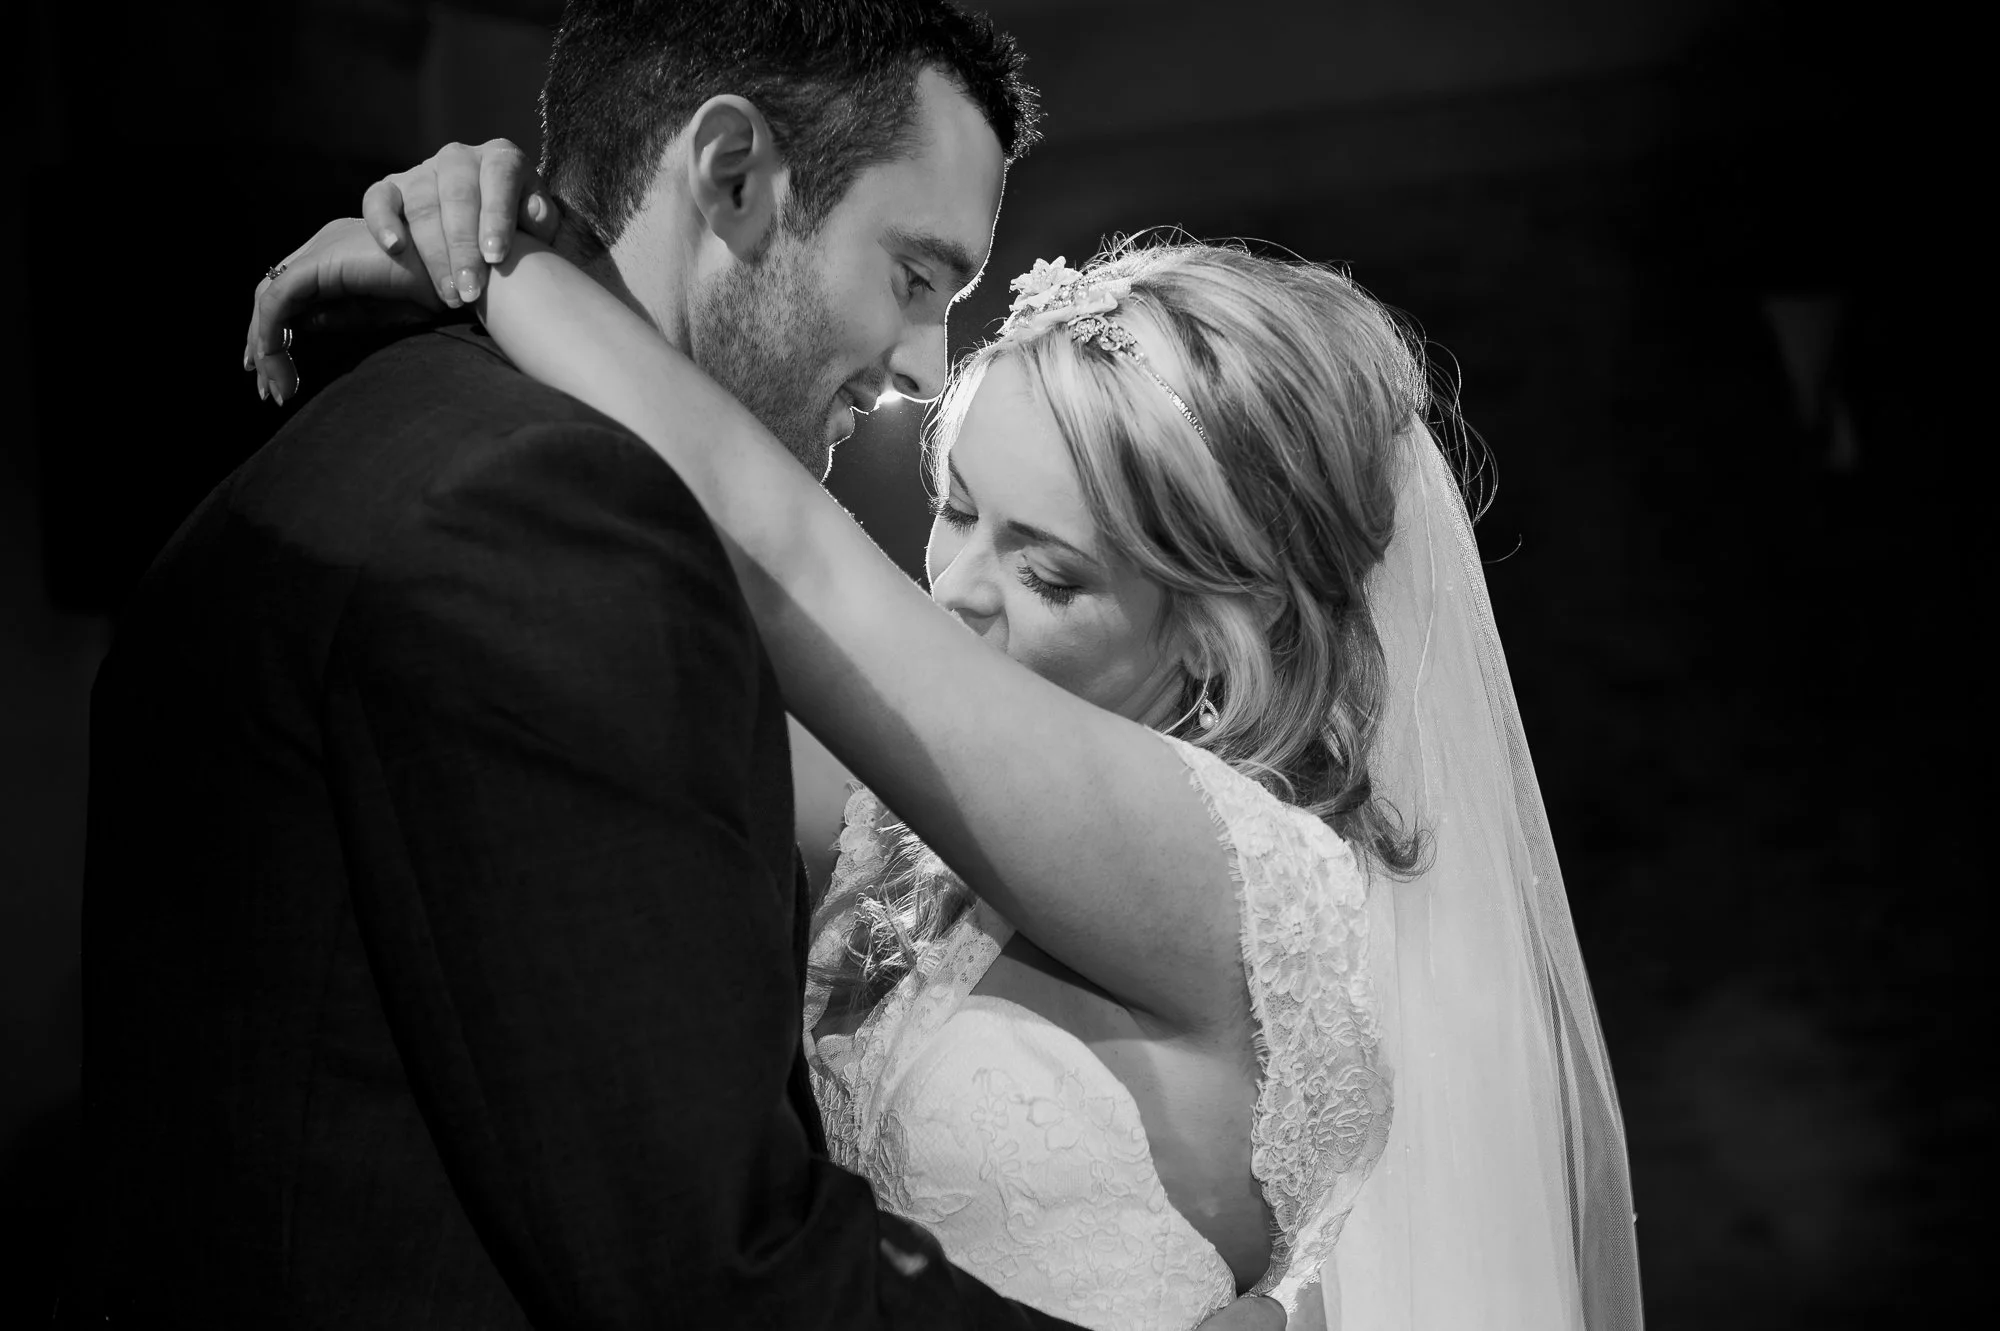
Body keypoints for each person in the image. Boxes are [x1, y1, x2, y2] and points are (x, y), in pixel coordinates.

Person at [245, 127, 1645, 1327]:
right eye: (956, 509)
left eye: (1048, 572)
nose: (956, 595)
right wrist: (461, 228)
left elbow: (787, 558)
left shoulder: (1239, 882)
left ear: (1214, 650)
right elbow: (666, 691)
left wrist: (510, 252)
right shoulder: (915, 838)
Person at [85, 3, 1307, 1326]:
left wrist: (518, 253)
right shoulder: (550, 519)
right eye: (913, 277)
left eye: (1049, 562)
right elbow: (712, 1278)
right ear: (731, 178)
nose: (919, 367)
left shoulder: (370, 440)